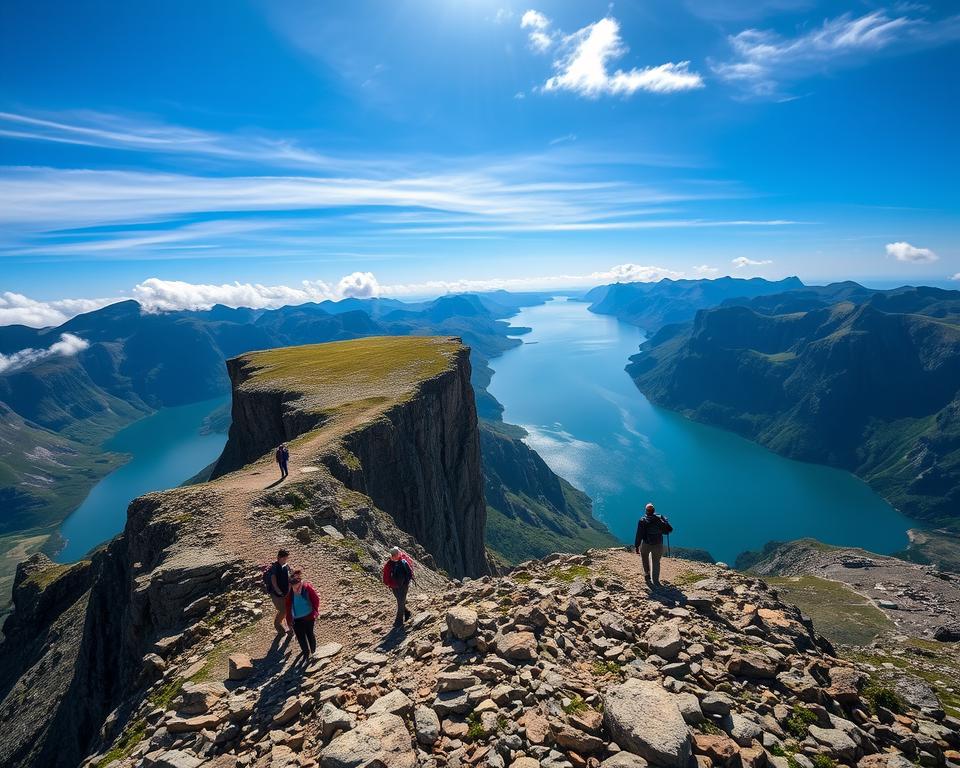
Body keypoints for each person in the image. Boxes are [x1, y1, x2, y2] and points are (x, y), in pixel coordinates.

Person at [634, 502, 673, 587]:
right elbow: (669, 529)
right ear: (654, 510)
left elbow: (639, 534)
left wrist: (637, 546)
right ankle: (656, 581)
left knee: (645, 559)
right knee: (656, 562)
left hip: (646, 544)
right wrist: (665, 521)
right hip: (658, 544)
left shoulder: (642, 520)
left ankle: (647, 575)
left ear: (646, 511)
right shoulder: (660, 518)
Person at [285, 568, 320, 659]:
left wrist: (314, 610)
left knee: (309, 634)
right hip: (296, 618)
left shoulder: (307, 588)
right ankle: (305, 653)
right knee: (300, 637)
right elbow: (288, 606)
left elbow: (316, 599)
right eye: (294, 587)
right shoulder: (290, 592)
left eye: (297, 586)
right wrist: (289, 620)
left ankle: (313, 651)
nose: (296, 588)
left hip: (308, 616)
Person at [382, 546, 414, 628]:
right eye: (397, 554)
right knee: (401, 601)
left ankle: (398, 621)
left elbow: (385, 578)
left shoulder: (389, 564)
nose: (399, 555)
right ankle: (407, 613)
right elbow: (410, 572)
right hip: (402, 585)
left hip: (398, 586)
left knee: (400, 602)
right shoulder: (401, 561)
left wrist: (388, 583)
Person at [265, 549, 291, 634]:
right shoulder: (275, 567)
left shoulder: (286, 566)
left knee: (287, 609)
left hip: (285, 592)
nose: (285, 560)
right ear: (279, 557)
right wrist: (278, 590)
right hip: (277, 594)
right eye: (284, 558)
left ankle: (288, 626)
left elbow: (289, 577)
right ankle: (277, 624)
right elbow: (273, 579)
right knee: (283, 610)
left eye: (286, 558)